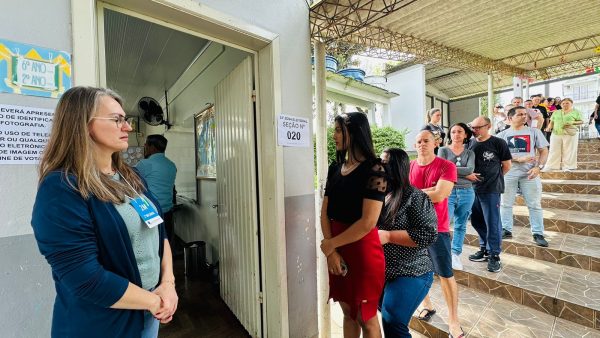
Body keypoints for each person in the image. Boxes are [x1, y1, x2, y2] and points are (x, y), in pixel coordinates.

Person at [31, 87, 178, 338]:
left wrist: (168, 284)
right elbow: (85, 277)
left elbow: (159, 231)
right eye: (117, 119)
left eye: (126, 120)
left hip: (148, 312)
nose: (128, 128)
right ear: (83, 124)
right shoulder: (62, 188)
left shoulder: (132, 176)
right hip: (103, 324)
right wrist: (154, 302)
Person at [320, 112, 387, 338]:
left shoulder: (375, 169)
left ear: (354, 132)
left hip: (362, 251)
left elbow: (368, 222)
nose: (334, 136)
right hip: (337, 248)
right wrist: (332, 252)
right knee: (348, 311)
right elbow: (325, 212)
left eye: (338, 130)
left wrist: (331, 246)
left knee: (365, 317)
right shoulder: (334, 168)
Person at [378, 148, 438, 338]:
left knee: (393, 321)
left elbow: (428, 234)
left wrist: (388, 236)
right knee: (388, 318)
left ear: (397, 166)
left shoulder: (415, 196)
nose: (380, 166)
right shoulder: (381, 194)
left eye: (385, 162)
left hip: (412, 270)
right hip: (384, 270)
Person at [409, 131, 464, 338]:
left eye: (426, 141)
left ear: (435, 143)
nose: (422, 144)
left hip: (436, 229)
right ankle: (427, 305)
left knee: (445, 275)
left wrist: (413, 193)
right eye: (418, 141)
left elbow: (441, 194)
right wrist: (428, 191)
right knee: (416, 270)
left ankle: (453, 320)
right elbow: (402, 193)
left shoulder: (446, 166)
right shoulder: (410, 167)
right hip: (412, 228)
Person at [496, 107, 549, 247]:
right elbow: (497, 155)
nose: (524, 116)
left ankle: (538, 233)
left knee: (534, 204)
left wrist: (539, 167)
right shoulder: (502, 135)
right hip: (508, 173)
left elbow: (544, 151)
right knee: (505, 203)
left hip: (530, 173)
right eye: (520, 114)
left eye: (525, 114)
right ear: (510, 118)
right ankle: (506, 229)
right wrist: (516, 159)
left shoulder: (534, 132)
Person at [466, 116, 512, 273]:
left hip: (491, 189)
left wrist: (494, 179)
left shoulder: (499, 143)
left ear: (489, 126)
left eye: (479, 127)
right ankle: (484, 249)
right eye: (473, 127)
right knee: (477, 221)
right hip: (472, 189)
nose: (475, 130)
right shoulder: (470, 143)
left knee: (492, 222)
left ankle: (494, 255)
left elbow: (506, 166)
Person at [438, 123, 476, 271]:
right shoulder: (443, 150)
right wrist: (465, 174)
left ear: (466, 134)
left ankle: (455, 254)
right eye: (453, 132)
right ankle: (443, 254)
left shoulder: (470, 153)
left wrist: (452, 170)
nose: (456, 134)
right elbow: (441, 169)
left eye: (460, 131)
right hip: (448, 191)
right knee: (443, 224)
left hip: (467, 192)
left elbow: (471, 169)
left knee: (460, 225)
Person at [136, 135, 177, 242]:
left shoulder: (145, 164)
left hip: (151, 212)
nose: (145, 147)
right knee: (165, 243)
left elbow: (129, 181)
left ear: (152, 147)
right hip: (168, 212)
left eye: (146, 145)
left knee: (152, 246)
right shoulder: (171, 165)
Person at [544, 98, 584, 171]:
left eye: (567, 103)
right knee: (553, 149)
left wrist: (572, 123)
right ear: (561, 104)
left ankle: (569, 167)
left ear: (571, 104)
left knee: (569, 150)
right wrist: (549, 128)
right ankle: (551, 166)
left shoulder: (576, 112)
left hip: (570, 133)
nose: (565, 104)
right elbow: (552, 122)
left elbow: (581, 121)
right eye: (563, 103)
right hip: (556, 132)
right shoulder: (556, 112)